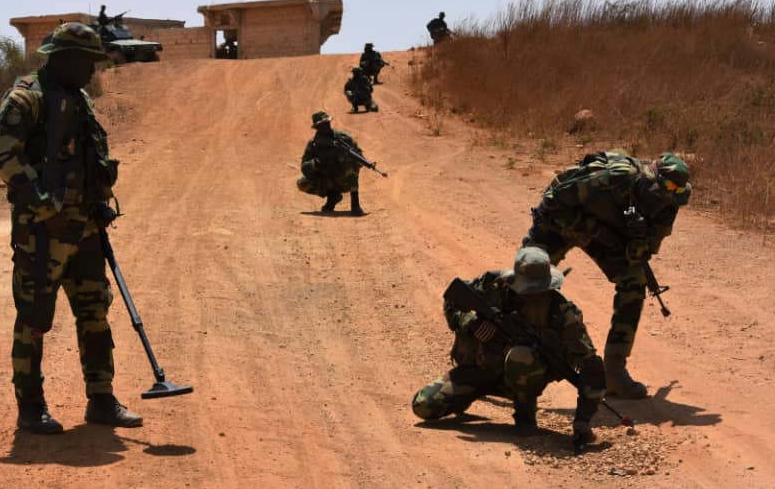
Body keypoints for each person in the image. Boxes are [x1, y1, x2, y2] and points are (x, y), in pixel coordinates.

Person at [0, 21, 142, 435]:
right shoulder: (25, 97)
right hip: (42, 232)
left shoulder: (79, 99)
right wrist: (45, 209)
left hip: (86, 228)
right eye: (87, 62)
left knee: (95, 312)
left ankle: (101, 398)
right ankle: (31, 407)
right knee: (35, 318)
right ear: (64, 58)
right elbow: (5, 158)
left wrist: (98, 201)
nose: (93, 71)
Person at [521, 151, 691, 398]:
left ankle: (614, 372)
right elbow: (553, 203)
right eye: (666, 185)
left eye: (676, 189)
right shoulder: (617, 177)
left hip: (607, 237)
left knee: (634, 282)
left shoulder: (669, 205)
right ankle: (502, 355)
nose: (669, 193)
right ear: (651, 176)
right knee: (529, 279)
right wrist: (594, 229)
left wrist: (637, 237)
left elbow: (642, 253)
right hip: (561, 221)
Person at [412, 246, 606, 446]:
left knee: (521, 355)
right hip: (478, 371)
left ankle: (525, 416)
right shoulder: (492, 286)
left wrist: (582, 422)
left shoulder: (562, 311)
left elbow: (591, 366)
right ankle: (466, 396)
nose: (534, 294)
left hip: (519, 380)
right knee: (423, 406)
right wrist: (470, 322)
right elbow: (452, 301)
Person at [296, 111, 366, 216]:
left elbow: (360, 158)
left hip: (343, 179)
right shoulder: (314, 144)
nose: (326, 126)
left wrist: (344, 157)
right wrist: (317, 162)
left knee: (352, 166)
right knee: (302, 183)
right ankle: (333, 197)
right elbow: (304, 167)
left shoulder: (343, 138)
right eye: (322, 125)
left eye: (327, 123)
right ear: (317, 128)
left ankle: (355, 204)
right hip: (325, 179)